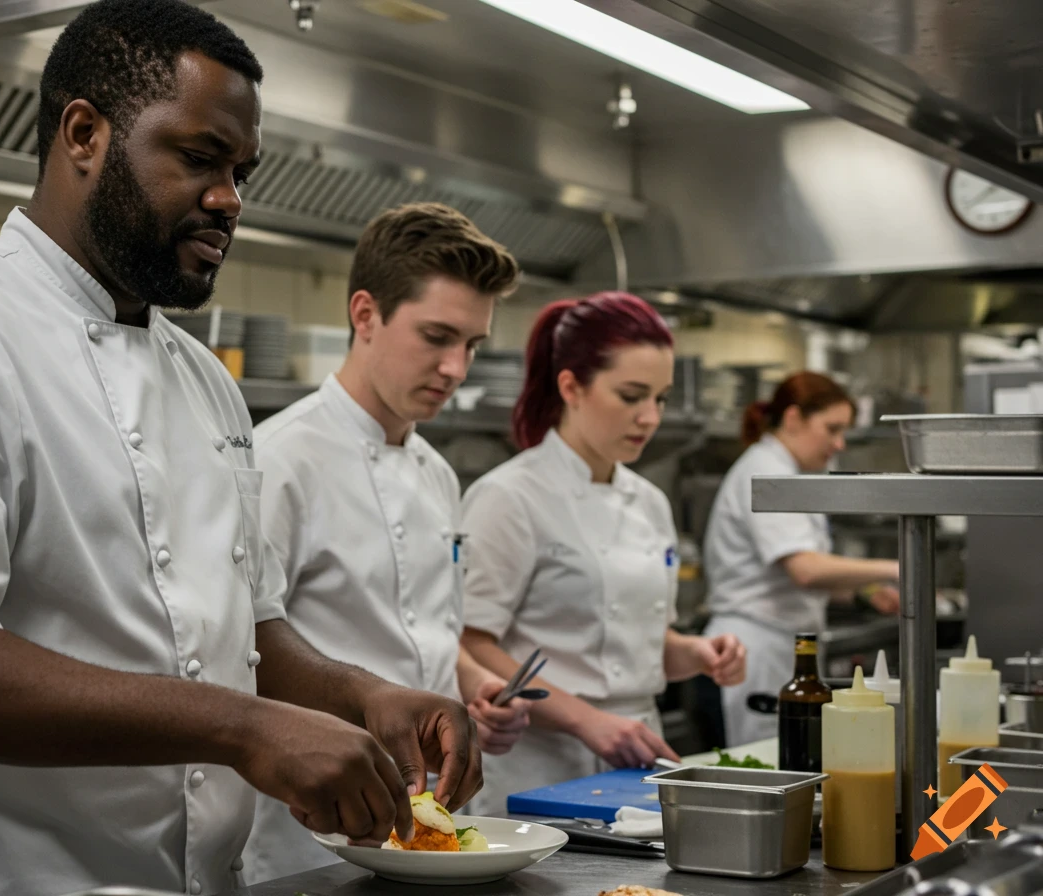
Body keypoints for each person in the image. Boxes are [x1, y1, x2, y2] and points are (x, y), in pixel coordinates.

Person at [0, 4, 479, 895]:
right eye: (199, 158)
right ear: (84, 133)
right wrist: (245, 728)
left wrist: (361, 697)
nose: (230, 197)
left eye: (242, 171)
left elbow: (247, 624)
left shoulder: (203, 379)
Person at [242, 202, 530, 883]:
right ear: (365, 315)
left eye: (473, 345)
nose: (457, 367)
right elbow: (243, 649)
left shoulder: (437, 472)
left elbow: (428, 630)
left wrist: (476, 687)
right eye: (437, 337)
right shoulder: (278, 460)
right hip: (309, 827)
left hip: (426, 816)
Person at [459, 293, 747, 814]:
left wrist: (698, 654)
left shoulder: (649, 501)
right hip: (537, 762)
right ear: (570, 386)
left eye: (659, 398)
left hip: (634, 758)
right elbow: (471, 641)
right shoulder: (509, 497)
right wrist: (585, 720)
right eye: (632, 395)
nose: (650, 417)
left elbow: (636, 644)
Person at [702, 371, 901, 747]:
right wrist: (898, 567)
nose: (839, 443)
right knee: (762, 763)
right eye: (832, 429)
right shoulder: (766, 472)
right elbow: (806, 570)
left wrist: (865, 592)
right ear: (793, 418)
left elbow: (801, 569)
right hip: (753, 650)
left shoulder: (790, 473)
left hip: (784, 646)